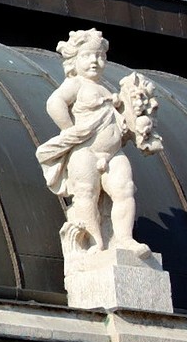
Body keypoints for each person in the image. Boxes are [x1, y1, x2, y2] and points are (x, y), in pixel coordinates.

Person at [36, 29, 152, 256]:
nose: (95, 61)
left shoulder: (106, 89)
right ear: (74, 60)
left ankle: (125, 239)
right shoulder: (76, 84)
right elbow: (54, 102)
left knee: (124, 189)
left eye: (100, 56)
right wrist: (70, 130)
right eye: (87, 56)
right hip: (85, 151)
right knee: (86, 192)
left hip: (113, 153)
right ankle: (95, 240)